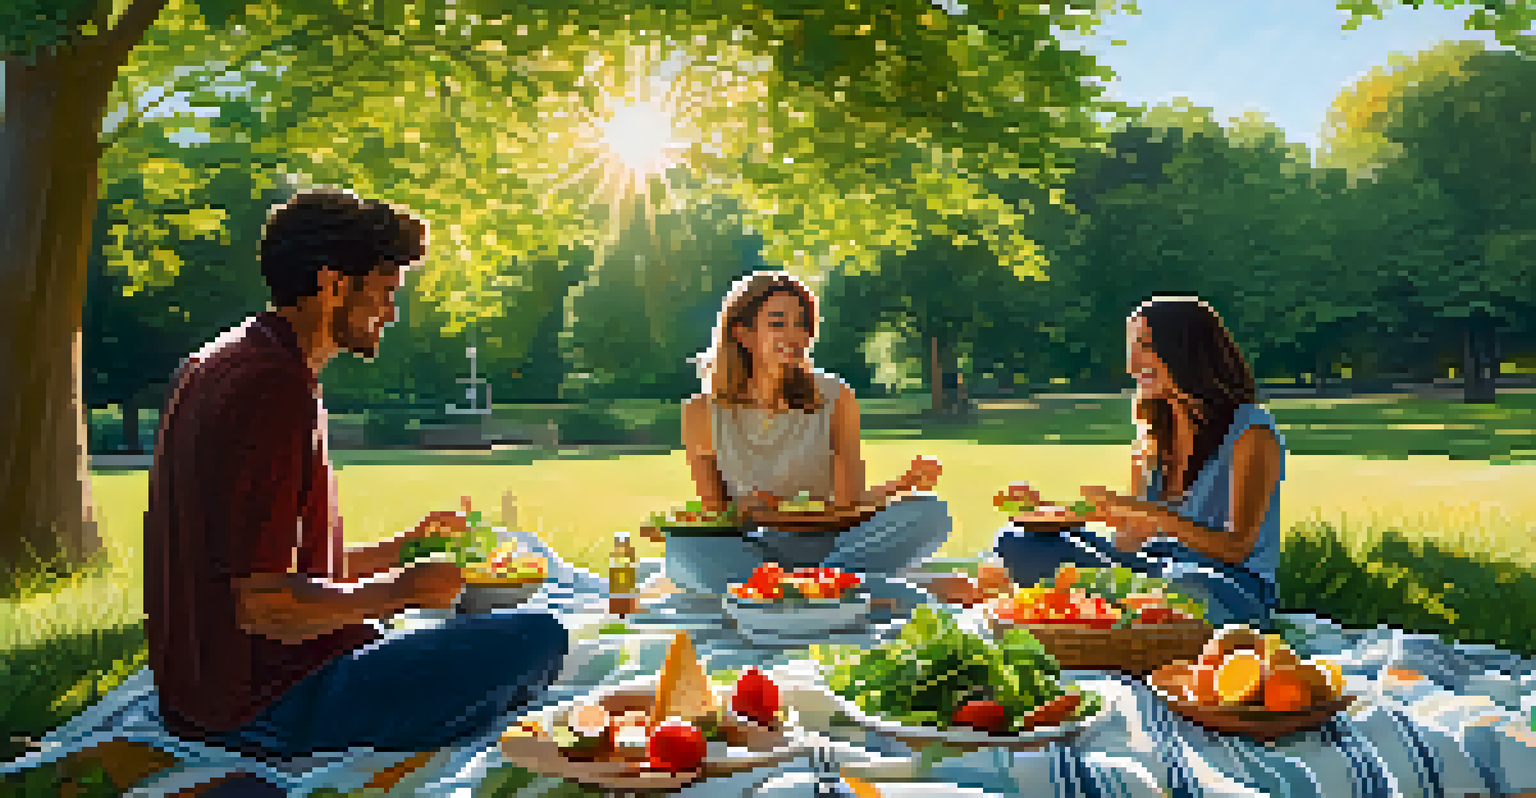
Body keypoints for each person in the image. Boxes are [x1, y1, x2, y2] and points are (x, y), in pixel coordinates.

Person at [143, 188, 568, 760]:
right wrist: (395, 593)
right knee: (537, 636)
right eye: (385, 292)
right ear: (332, 283)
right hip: (266, 707)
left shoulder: (221, 361)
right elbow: (263, 605)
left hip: (207, 693)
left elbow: (269, 569)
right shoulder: (271, 388)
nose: (391, 313)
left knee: (475, 635)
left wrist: (404, 550)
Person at [992, 296, 1285, 627]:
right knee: (1017, 542)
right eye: (1132, 346)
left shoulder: (1250, 432)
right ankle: (1127, 608)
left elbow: (1237, 549)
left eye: (1145, 345)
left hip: (1228, 585)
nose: (1132, 364)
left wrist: (1140, 510)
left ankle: (1116, 606)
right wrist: (1056, 514)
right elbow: (1132, 540)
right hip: (1151, 569)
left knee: (1180, 583)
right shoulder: (1153, 436)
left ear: (1186, 351)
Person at [666, 270, 952, 596]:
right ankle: (837, 586)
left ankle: (784, 590)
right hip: (754, 547)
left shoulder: (834, 396)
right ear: (742, 333)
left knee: (930, 513)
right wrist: (743, 507)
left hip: (832, 541)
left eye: (801, 324)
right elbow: (715, 514)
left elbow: (847, 503)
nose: (794, 335)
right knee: (684, 548)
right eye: (778, 323)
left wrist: (903, 485)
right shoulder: (702, 411)